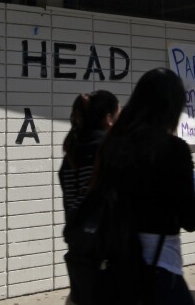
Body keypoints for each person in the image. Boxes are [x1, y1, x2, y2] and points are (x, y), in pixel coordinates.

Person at [90, 68, 195, 305]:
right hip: (159, 268)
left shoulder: (113, 144)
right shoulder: (173, 149)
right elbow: (191, 219)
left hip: (117, 263)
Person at [59, 90, 120, 305]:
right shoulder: (108, 151)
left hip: (79, 251)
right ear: (108, 119)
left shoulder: (72, 153)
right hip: (107, 256)